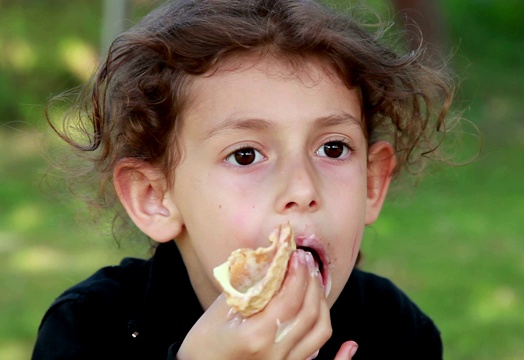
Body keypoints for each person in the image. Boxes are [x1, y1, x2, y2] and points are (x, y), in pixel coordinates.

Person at [32, 0, 454, 358]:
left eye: (332, 148)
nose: (302, 190)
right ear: (154, 197)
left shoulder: (397, 330)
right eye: (246, 155)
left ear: (372, 182)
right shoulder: (86, 329)